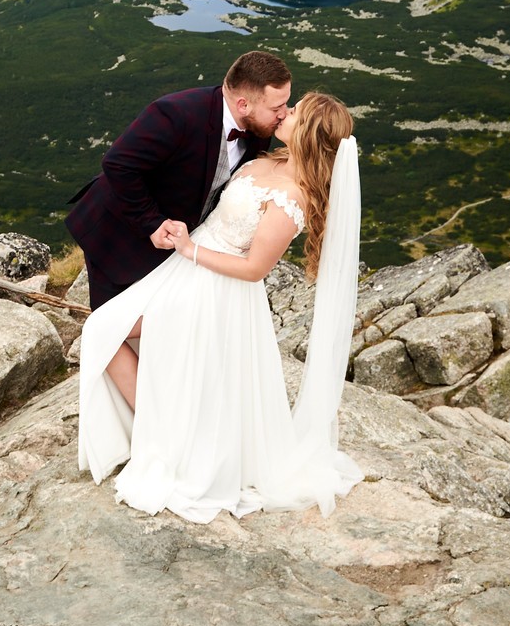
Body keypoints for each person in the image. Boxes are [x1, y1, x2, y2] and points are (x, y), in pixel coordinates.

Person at [75, 92, 364, 522]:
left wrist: (191, 251)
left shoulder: (293, 197)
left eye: (295, 112)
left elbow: (253, 269)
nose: (285, 114)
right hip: (183, 267)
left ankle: (168, 441)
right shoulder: (268, 158)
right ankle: (164, 432)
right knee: (105, 330)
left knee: (105, 331)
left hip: (215, 286)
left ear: (309, 133)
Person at [64, 50, 292, 310]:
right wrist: (151, 223)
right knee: (111, 329)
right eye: (277, 107)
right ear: (243, 104)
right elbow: (118, 164)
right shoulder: (176, 113)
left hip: (178, 249)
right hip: (118, 235)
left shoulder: (259, 129)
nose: (283, 114)